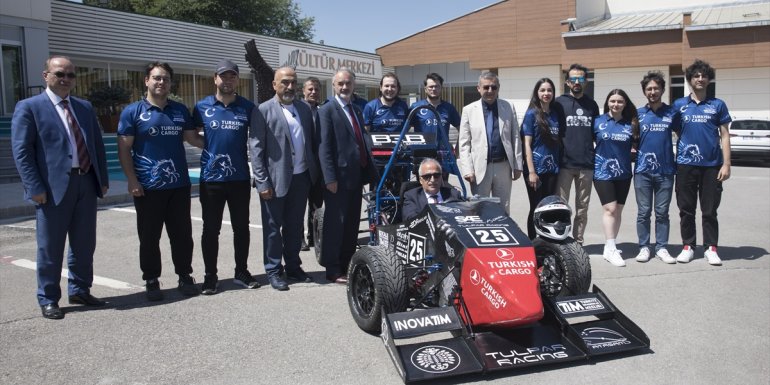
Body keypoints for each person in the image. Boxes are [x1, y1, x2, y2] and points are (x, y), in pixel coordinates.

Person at [11, 56, 109, 319]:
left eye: (70, 75)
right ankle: (48, 297)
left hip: (86, 182)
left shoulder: (84, 107)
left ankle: (80, 289)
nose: (65, 79)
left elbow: (96, 146)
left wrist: (102, 180)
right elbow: (22, 152)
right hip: (52, 188)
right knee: (50, 246)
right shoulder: (29, 107)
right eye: (59, 74)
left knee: (84, 242)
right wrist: (34, 187)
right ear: (46, 76)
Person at [117, 61, 204, 300]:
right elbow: (124, 149)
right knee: (149, 236)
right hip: (148, 187)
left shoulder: (179, 110)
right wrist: (132, 180)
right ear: (146, 81)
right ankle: (152, 279)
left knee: (182, 235)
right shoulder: (132, 112)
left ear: (170, 83)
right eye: (156, 78)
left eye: (165, 78)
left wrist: (222, 142)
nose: (161, 82)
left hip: (178, 186)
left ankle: (185, 275)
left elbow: (193, 139)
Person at [192, 59, 259, 295]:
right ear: (215, 78)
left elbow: (257, 138)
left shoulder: (247, 107)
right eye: (223, 76)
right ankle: (210, 276)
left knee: (242, 228)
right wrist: (208, 146)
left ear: (237, 80)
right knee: (211, 230)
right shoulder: (202, 107)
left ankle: (242, 271)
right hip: (211, 179)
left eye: (232, 76)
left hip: (239, 178)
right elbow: (190, 134)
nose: (227, 80)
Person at [251, 67, 319, 291]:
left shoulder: (304, 109)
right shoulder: (263, 110)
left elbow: (310, 143)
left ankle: (293, 267)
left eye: (293, 82)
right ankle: (273, 270)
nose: (290, 87)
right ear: (274, 85)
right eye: (285, 82)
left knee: (294, 227)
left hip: (301, 179)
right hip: (274, 181)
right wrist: (262, 182)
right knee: (272, 229)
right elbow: (256, 150)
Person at [318, 68, 378, 284]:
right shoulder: (326, 111)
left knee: (351, 225)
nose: (344, 87)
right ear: (334, 85)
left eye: (348, 83)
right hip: (337, 180)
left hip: (355, 177)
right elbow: (324, 148)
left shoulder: (357, 110)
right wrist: (329, 178)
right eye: (340, 84)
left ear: (354, 85)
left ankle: (346, 264)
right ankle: (333, 269)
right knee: (336, 225)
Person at [672, 59, 732, 265]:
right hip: (686, 165)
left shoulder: (717, 105)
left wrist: (726, 164)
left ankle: (711, 248)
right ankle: (688, 246)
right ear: (689, 80)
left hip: (712, 166)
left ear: (709, 79)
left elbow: (725, 135)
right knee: (686, 209)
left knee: (709, 210)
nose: (700, 79)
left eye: (703, 75)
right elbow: (677, 130)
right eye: (696, 76)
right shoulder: (680, 105)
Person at [458, 71, 522, 215]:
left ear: (498, 88)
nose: (490, 91)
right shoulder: (468, 110)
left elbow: (515, 137)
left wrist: (518, 165)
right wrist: (467, 169)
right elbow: (464, 143)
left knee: (503, 209)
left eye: (494, 87)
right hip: (480, 168)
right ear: (478, 88)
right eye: (486, 87)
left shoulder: (508, 107)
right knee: (480, 208)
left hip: (503, 167)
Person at [634, 71, 678, 264]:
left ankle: (661, 247)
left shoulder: (672, 113)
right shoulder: (638, 114)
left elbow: (684, 135)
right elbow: (631, 140)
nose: (653, 91)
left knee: (662, 213)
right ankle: (644, 247)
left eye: (656, 88)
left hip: (666, 171)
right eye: (649, 89)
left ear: (662, 90)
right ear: (644, 92)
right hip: (642, 171)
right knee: (643, 212)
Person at [593, 89, 639, 267]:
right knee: (610, 209)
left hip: (624, 174)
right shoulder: (598, 122)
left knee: (618, 211)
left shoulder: (631, 124)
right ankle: (611, 247)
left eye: (620, 101)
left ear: (625, 104)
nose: (616, 104)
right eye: (612, 101)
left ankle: (609, 245)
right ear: (607, 102)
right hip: (602, 173)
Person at [556, 64, 600, 244]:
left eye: (580, 79)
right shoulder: (559, 103)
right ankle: (561, 240)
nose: (576, 82)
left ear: (586, 82)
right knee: (561, 207)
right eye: (573, 79)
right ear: (567, 82)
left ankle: (578, 241)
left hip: (586, 165)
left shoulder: (592, 105)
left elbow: (597, 133)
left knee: (582, 209)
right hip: (564, 164)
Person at [521, 78, 563, 240]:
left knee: (548, 207)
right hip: (535, 170)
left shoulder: (555, 114)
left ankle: (546, 240)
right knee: (536, 207)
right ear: (537, 93)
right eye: (543, 90)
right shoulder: (531, 114)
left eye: (549, 90)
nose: (546, 93)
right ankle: (533, 242)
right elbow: (527, 145)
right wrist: (531, 171)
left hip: (553, 169)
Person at [301, 76, 324, 252]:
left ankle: (313, 236)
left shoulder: (322, 111)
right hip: (301, 166)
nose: (313, 92)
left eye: (316, 89)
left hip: (318, 166)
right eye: (310, 89)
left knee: (316, 205)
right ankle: (299, 238)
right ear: (303, 91)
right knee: (299, 204)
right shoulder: (297, 110)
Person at [402, 158, 462, 222]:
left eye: (436, 175)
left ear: (441, 177)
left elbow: (464, 215)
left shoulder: (454, 194)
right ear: (420, 180)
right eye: (427, 176)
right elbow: (410, 218)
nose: (432, 180)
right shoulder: (412, 197)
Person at [410, 73, 461, 139]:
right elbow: (404, 130)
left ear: (441, 88)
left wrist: (457, 147)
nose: (434, 89)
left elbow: (462, 130)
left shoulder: (449, 108)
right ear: (425, 89)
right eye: (431, 87)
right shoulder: (416, 107)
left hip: (443, 149)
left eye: (437, 86)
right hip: (421, 149)